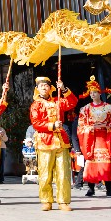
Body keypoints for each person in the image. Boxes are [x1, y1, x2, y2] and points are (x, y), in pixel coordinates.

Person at [30, 76, 77, 212]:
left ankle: (63, 201)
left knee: (63, 173)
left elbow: (72, 102)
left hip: (61, 142)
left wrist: (63, 89)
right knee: (45, 173)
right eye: (41, 86)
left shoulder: (57, 102)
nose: (44, 87)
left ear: (51, 88)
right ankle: (46, 200)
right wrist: (52, 125)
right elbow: (36, 123)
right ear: (37, 89)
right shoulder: (36, 105)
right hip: (45, 141)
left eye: (46, 85)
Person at [77, 76, 111, 198]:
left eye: (95, 92)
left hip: (105, 139)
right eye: (91, 93)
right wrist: (91, 128)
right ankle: (91, 189)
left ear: (99, 93)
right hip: (92, 139)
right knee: (91, 163)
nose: (93, 94)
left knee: (106, 164)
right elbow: (81, 126)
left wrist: (108, 126)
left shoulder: (108, 107)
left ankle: (109, 189)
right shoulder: (85, 109)